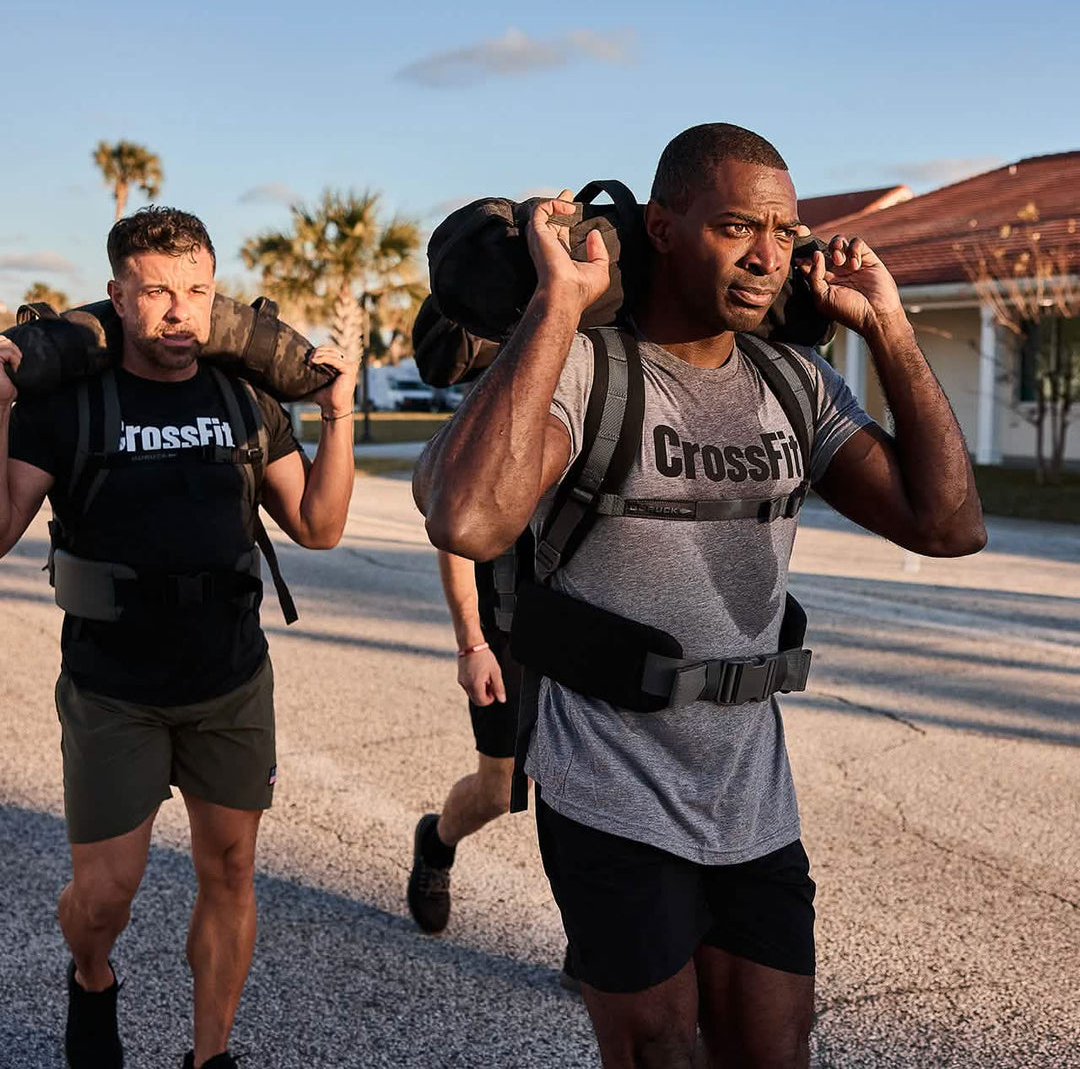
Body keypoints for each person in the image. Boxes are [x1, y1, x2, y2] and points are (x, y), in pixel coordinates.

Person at [413, 124, 986, 1069]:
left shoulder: (795, 382)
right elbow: (469, 520)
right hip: (611, 790)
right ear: (663, 228)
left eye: (784, 232)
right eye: (735, 228)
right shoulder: (592, 371)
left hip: (753, 792)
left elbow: (950, 524)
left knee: (775, 1054)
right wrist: (559, 302)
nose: (770, 256)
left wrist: (889, 326)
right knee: (659, 1055)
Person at [0, 207, 359, 1069]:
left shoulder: (245, 398)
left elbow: (318, 525)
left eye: (196, 291)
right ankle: (92, 978)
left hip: (228, 678)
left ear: (214, 296)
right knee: (104, 896)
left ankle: (210, 1057)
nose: (178, 311)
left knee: (230, 871)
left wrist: (339, 415)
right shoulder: (67, 409)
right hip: (112, 686)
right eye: (156, 291)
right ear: (117, 296)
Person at [407, 550, 579, 988]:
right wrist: (471, 643)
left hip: (585, 631)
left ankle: (588, 938)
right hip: (506, 632)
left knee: (590, 786)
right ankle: (436, 842)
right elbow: (456, 529)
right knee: (500, 791)